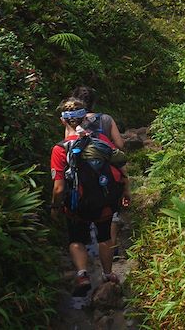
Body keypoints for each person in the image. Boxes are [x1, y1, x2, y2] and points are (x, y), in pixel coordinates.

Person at [50, 98, 127, 297]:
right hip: (104, 201)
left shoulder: (60, 149)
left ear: (63, 121)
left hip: (76, 204)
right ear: (85, 118)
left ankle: (82, 274)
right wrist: (126, 191)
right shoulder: (101, 141)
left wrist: (55, 208)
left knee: (76, 239)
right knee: (104, 237)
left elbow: (58, 188)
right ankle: (108, 274)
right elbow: (120, 165)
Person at [69, 86, 131, 259]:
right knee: (109, 209)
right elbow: (119, 145)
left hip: (82, 171)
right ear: (94, 101)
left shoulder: (72, 121)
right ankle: (112, 249)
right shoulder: (106, 119)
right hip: (105, 167)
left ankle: (87, 252)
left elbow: (68, 146)